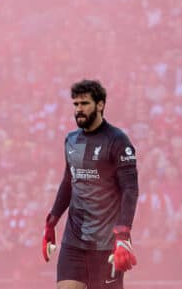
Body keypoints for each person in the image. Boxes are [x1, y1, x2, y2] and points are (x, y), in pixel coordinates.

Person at [42, 80, 139, 289]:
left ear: (100, 105)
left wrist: (123, 234)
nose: (79, 109)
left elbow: (130, 190)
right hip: (74, 242)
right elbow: (68, 183)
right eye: (76, 104)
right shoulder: (71, 140)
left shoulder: (118, 141)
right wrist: (51, 222)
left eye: (84, 103)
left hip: (106, 245)